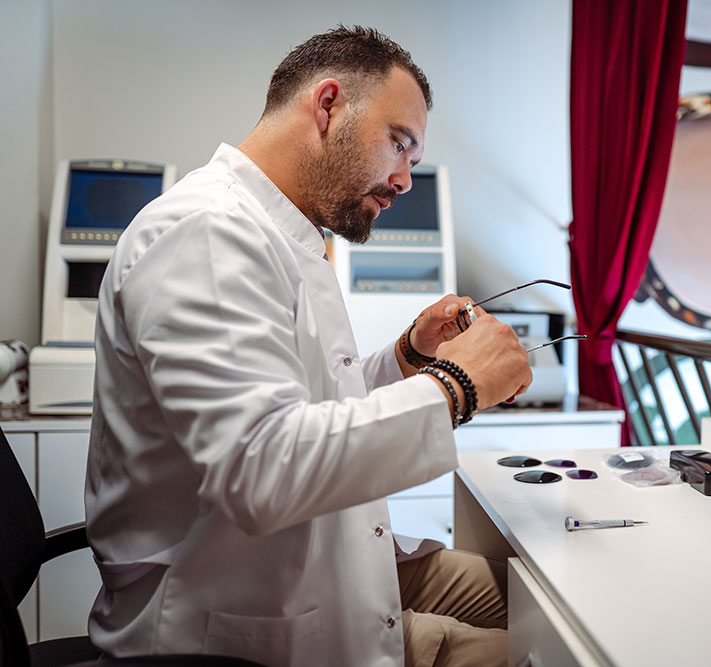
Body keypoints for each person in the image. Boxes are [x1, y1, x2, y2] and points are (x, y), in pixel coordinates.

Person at [84, 25, 532, 667]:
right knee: (565, 646)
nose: (407, 179)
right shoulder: (207, 233)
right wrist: (456, 387)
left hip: (332, 559)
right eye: (399, 143)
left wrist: (406, 359)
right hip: (232, 619)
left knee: (546, 593)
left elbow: (311, 403)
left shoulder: (281, 231)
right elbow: (261, 469)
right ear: (327, 106)